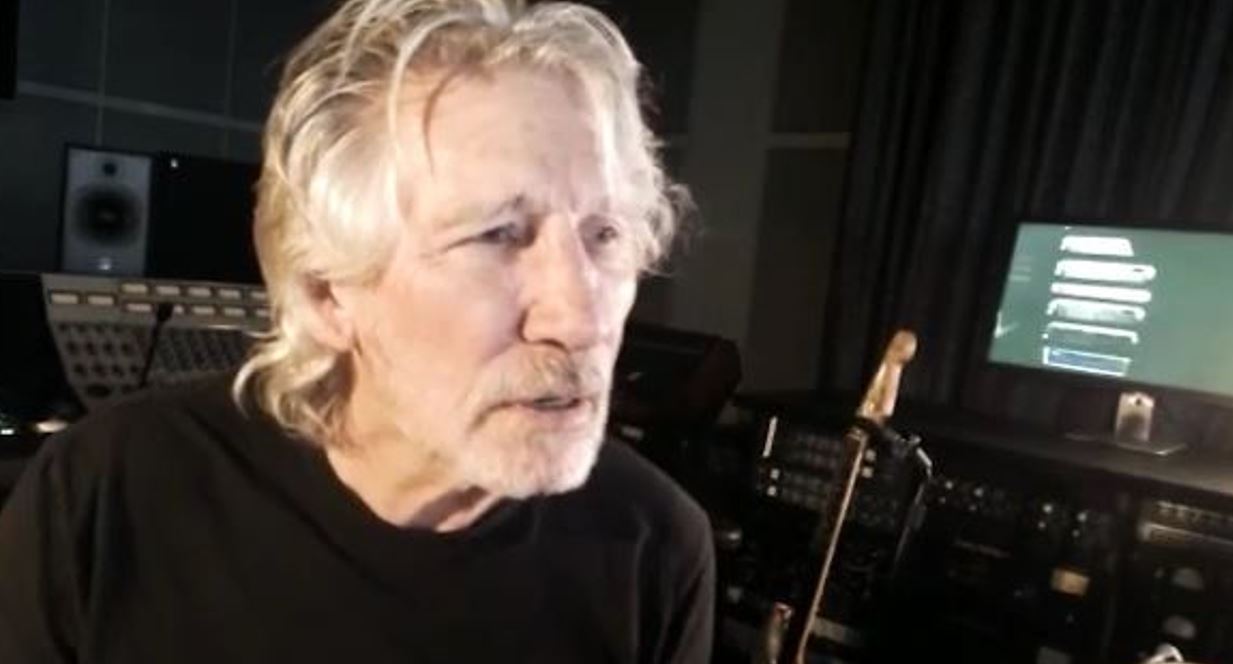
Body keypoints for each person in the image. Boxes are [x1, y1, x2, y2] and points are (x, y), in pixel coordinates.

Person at [0, 0, 714, 661]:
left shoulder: (656, 548)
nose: (582, 320)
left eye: (604, 234)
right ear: (326, 295)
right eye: (497, 234)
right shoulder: (107, 494)